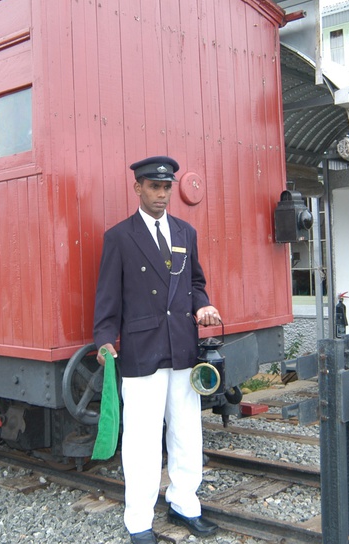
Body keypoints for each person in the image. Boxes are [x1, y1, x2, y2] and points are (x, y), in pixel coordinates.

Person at [93, 156, 221, 544]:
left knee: (186, 432)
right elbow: (107, 297)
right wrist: (104, 340)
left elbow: (195, 282)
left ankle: (184, 504)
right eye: (154, 186)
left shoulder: (185, 232)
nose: (162, 194)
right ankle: (139, 521)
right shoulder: (119, 237)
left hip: (182, 347)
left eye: (166, 187)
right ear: (138, 188)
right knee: (142, 440)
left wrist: (202, 304)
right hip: (142, 350)